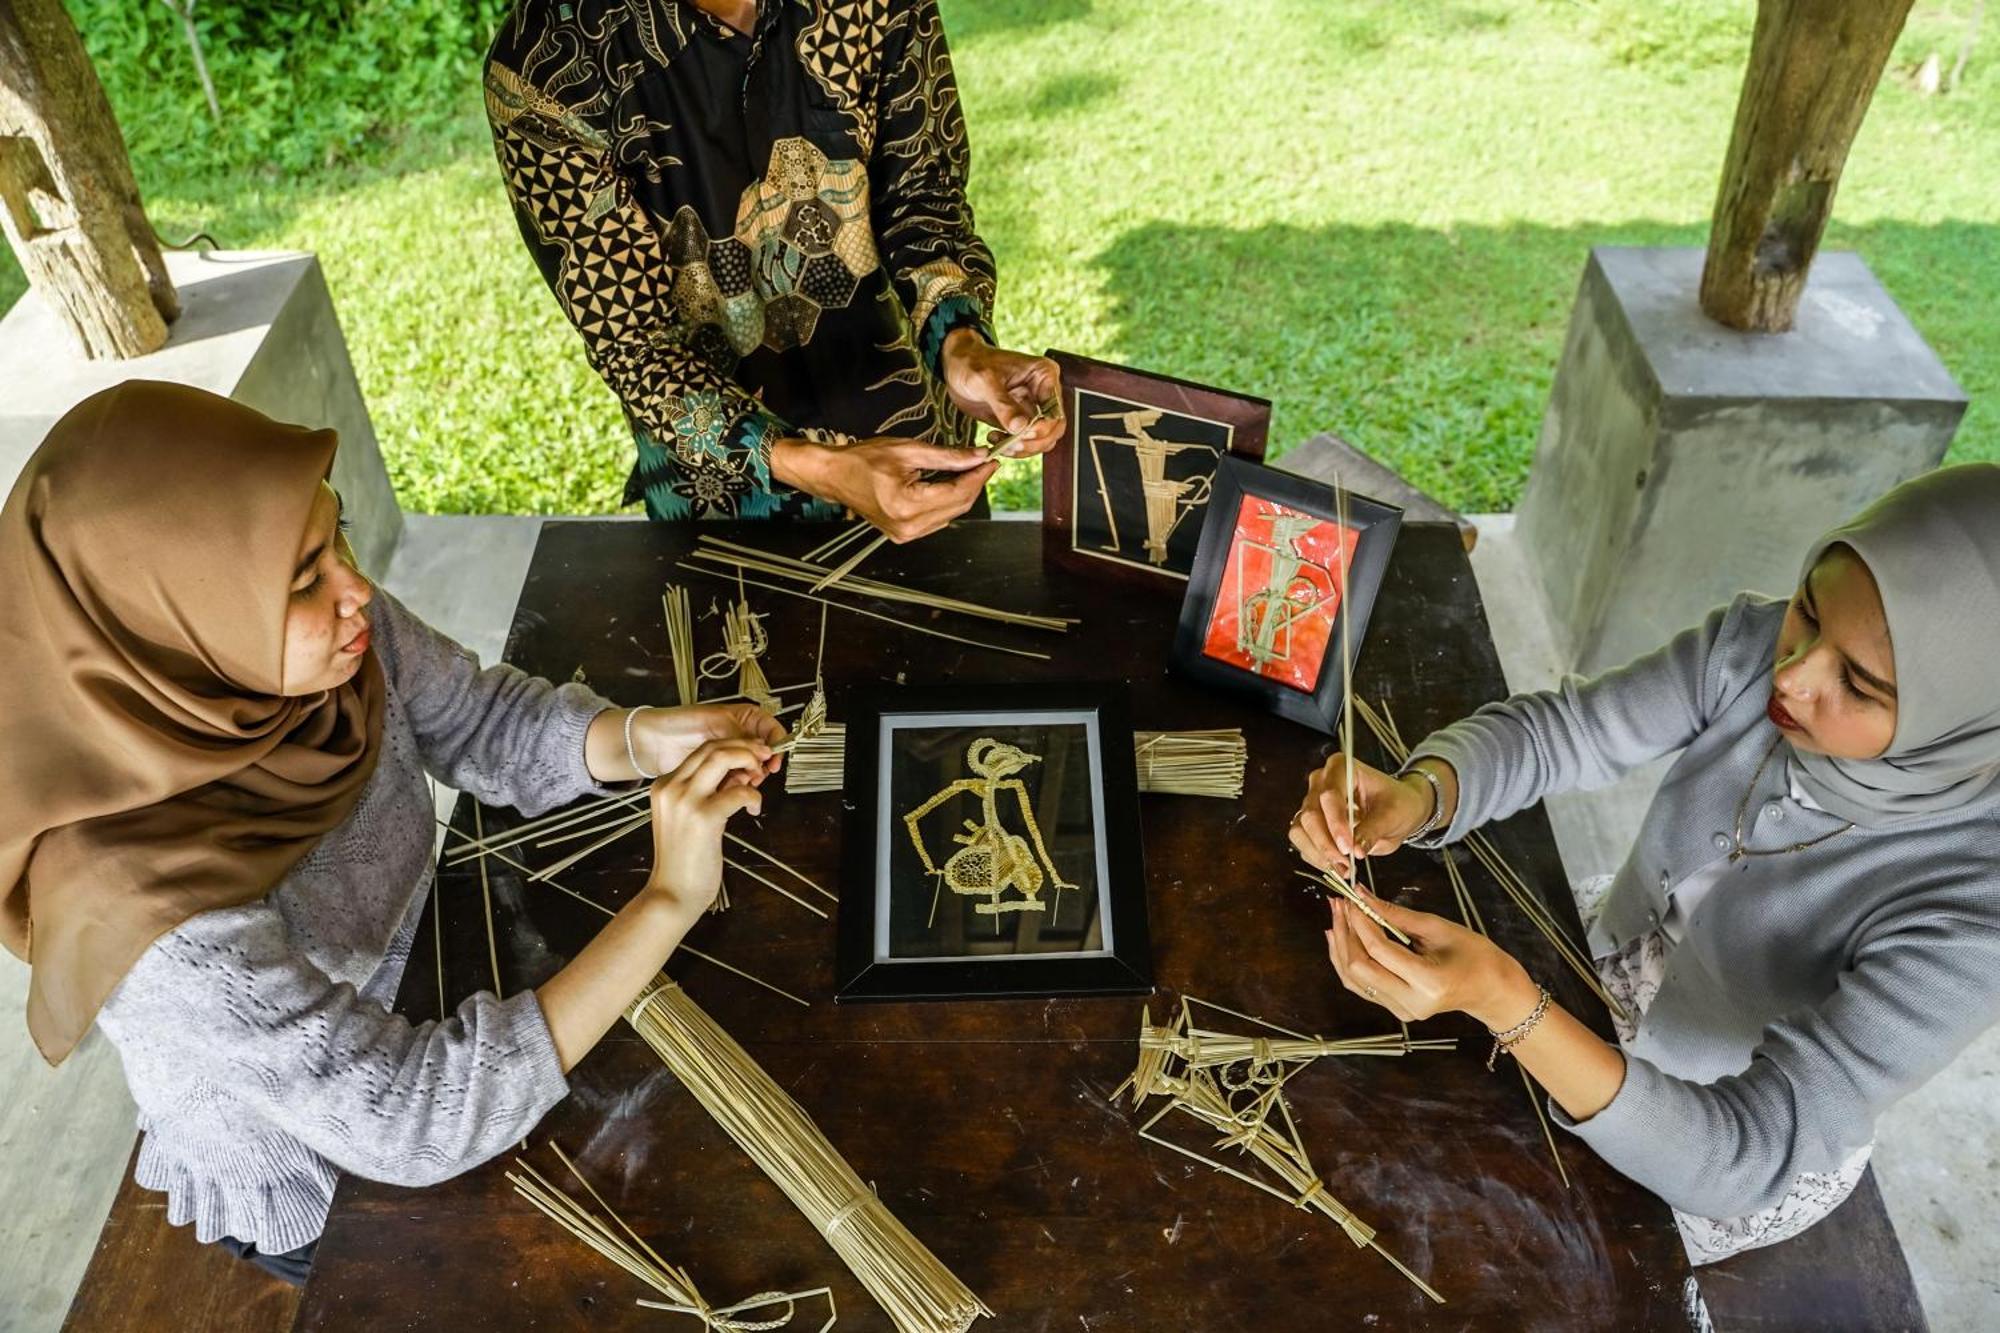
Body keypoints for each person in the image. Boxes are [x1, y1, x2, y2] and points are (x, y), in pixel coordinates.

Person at [0, 382, 778, 1283]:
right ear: (171, 630)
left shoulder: (305, 646)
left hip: (434, 967)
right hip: (323, 1163)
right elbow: (411, 1118)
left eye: (333, 535)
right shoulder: (140, 911)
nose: (355, 587)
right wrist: (671, 894)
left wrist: (643, 736)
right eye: (302, 577)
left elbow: (476, 716)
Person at [1287, 465, 2000, 1285]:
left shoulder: (1977, 909)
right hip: (1597, 962)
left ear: (1964, 714)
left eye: (1861, 682)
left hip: (1699, 1128)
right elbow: (1564, 733)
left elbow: (1746, 1150)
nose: (1794, 674)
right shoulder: (1751, 651)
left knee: (1510, 1261)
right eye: (1808, 607)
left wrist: (1503, 1000)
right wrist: (1421, 794)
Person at [484, 0, 1063, 535]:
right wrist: (808, 464)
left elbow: (923, 198)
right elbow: (635, 343)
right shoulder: (545, 66)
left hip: (919, 452)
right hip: (723, 501)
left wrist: (959, 343)